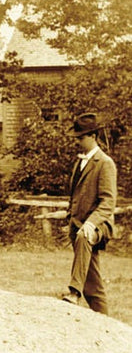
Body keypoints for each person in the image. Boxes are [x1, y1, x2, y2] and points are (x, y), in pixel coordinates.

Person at [61, 112, 117, 314]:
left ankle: (74, 292)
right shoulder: (80, 162)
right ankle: (104, 320)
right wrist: (71, 217)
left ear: (93, 136)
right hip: (78, 224)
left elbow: (108, 201)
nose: (77, 141)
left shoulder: (105, 163)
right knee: (93, 285)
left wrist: (91, 223)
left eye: (81, 137)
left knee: (85, 237)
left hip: (100, 224)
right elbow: (77, 194)